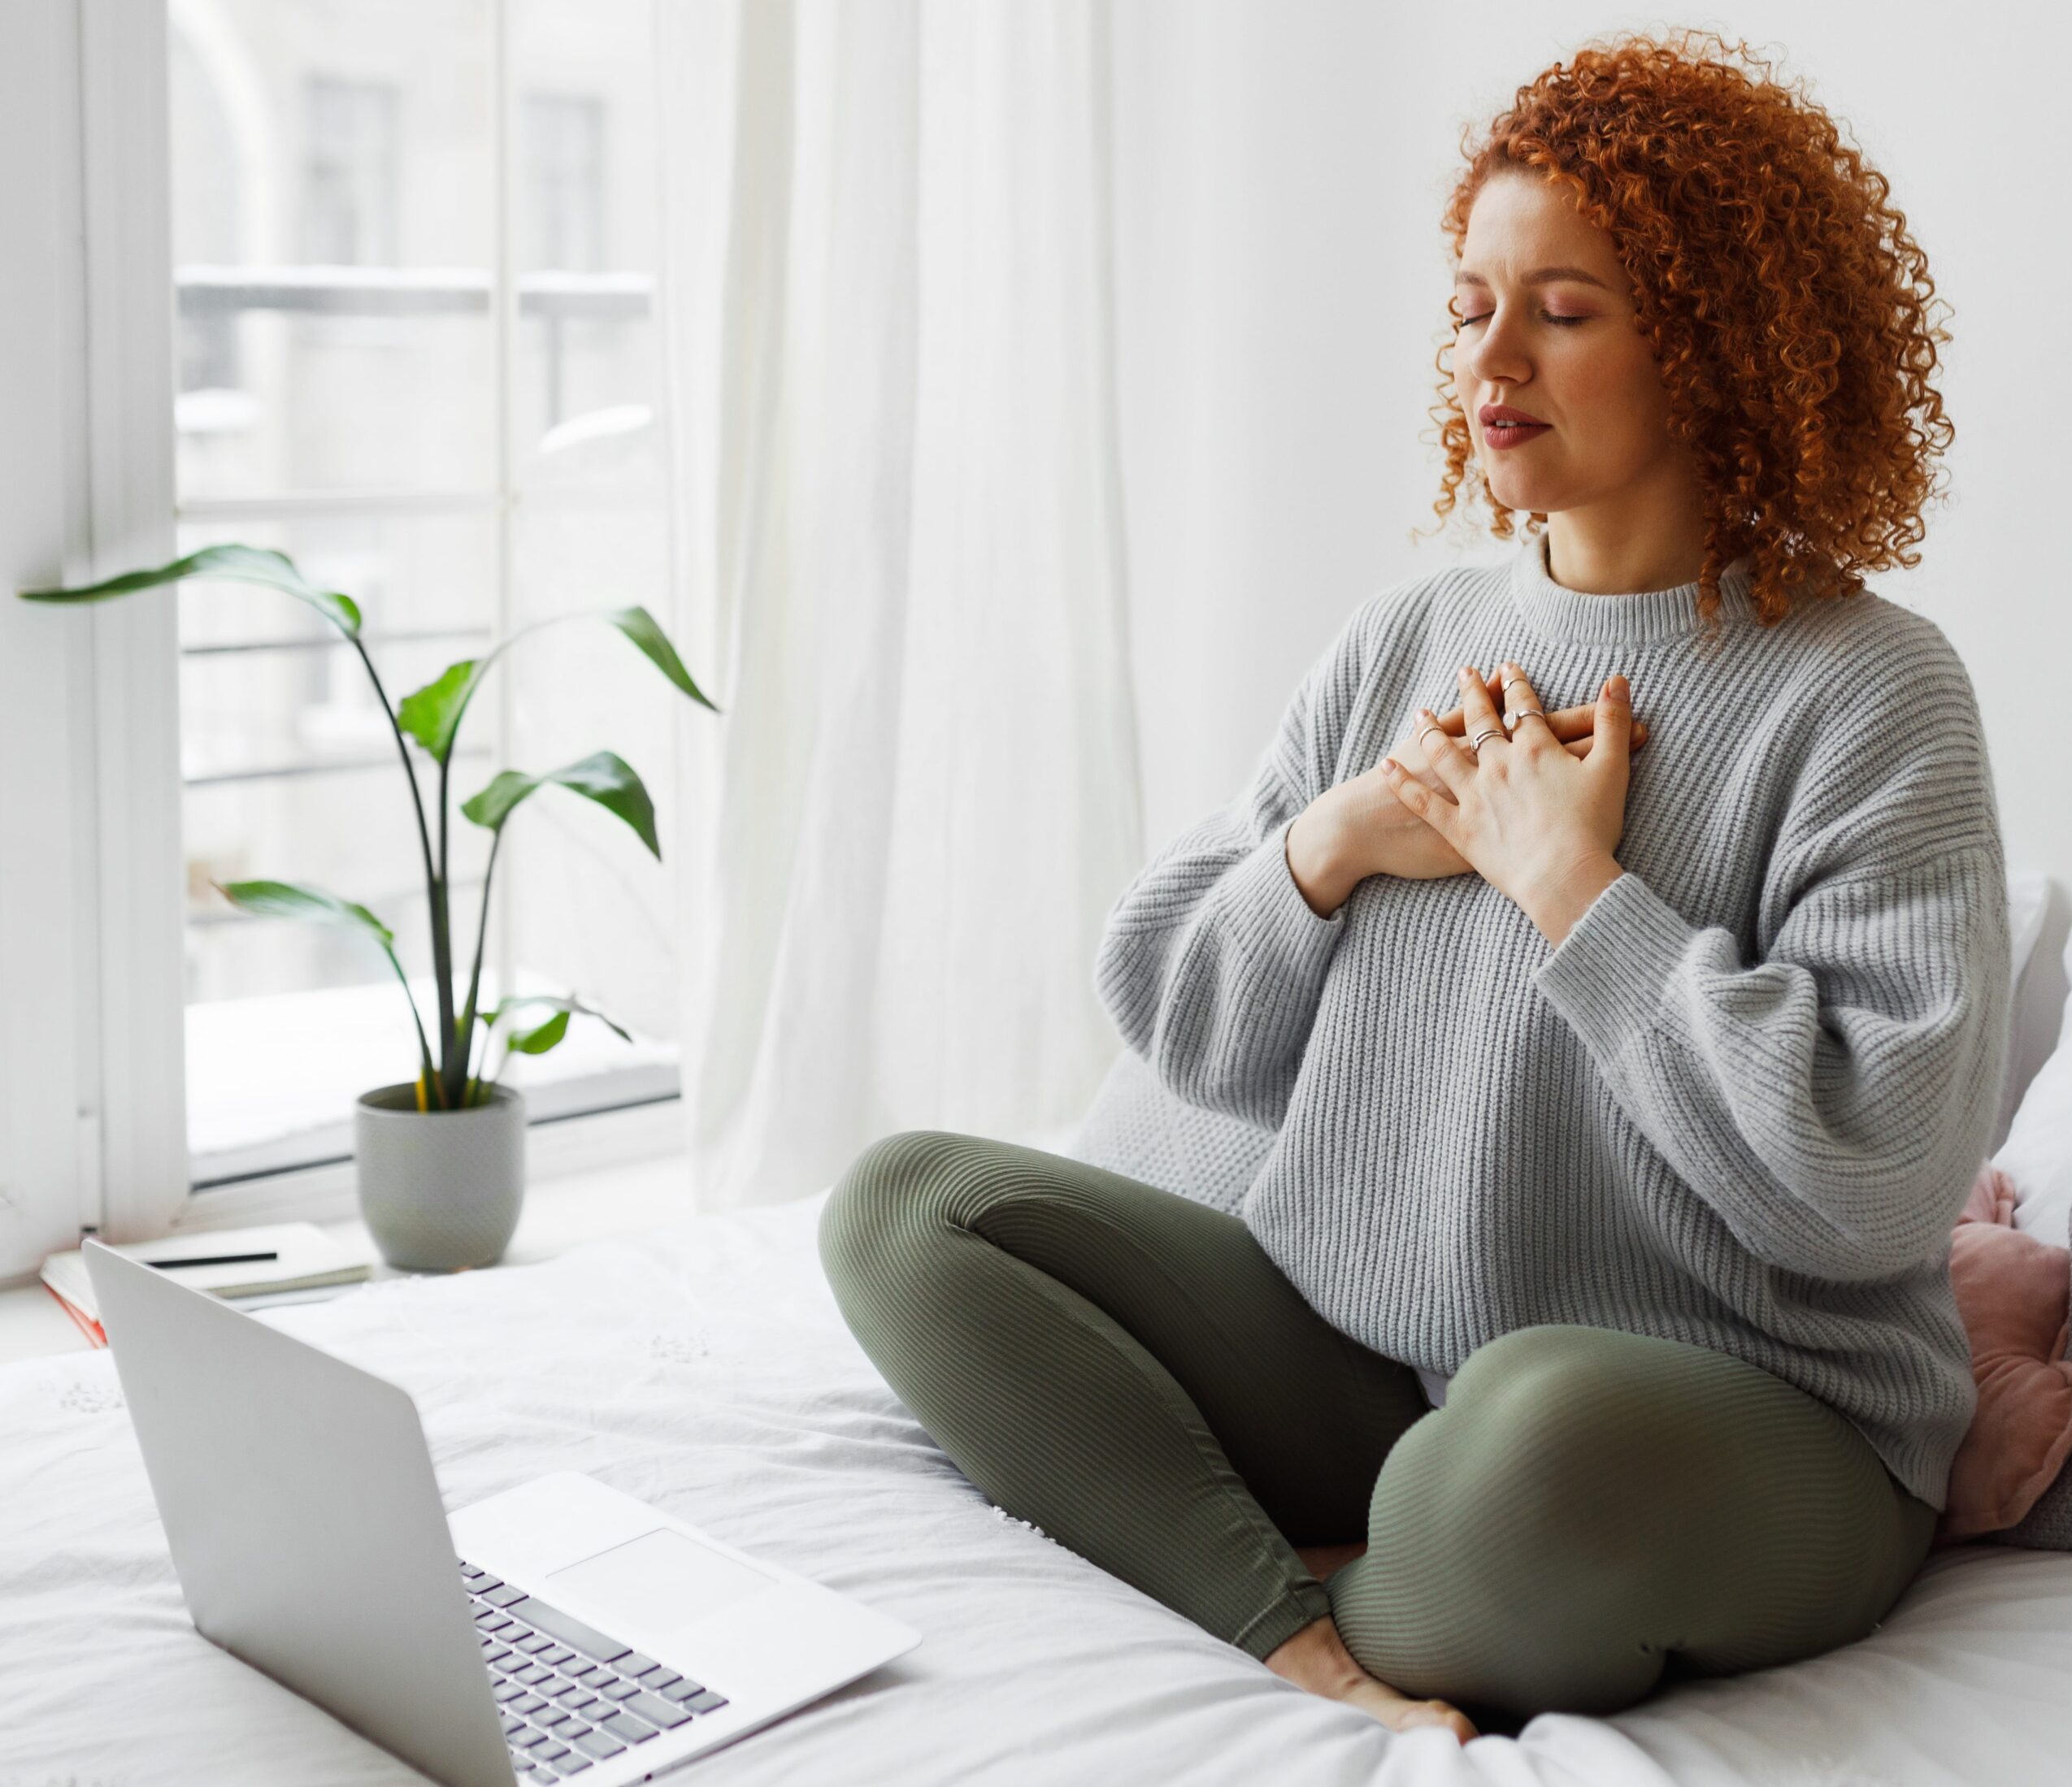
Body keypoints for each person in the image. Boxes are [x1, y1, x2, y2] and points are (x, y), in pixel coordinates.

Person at [818, 28, 2010, 1741]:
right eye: (1468, 303)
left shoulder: (1869, 690)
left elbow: (1868, 1184)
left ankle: (1294, 1549)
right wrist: (1335, 845)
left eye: (1564, 307)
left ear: (1716, 338)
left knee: (1533, 1437)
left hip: (1739, 1411)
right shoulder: (1412, 638)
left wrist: (1569, 885)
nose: (1489, 356)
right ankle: (1298, 1620)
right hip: (1370, 1359)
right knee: (902, 1208)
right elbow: (1180, 1023)